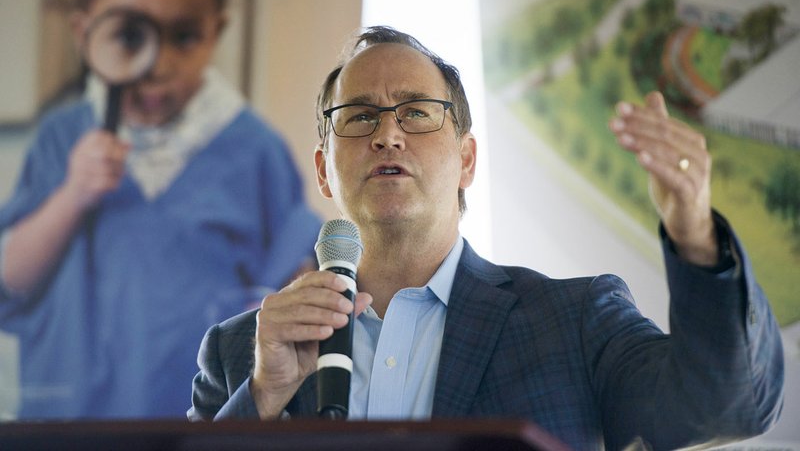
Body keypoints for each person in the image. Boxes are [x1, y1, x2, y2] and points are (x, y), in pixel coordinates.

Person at [188, 26, 784, 449]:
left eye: (417, 112)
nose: (388, 136)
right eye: (359, 117)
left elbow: (727, 406)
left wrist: (697, 239)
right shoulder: (242, 352)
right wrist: (263, 396)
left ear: (466, 159)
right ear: (323, 169)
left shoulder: (576, 322)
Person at [0, 0, 320, 419]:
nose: (158, 63)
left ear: (217, 31)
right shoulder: (62, 138)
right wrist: (71, 195)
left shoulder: (254, 149)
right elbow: (8, 282)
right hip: (68, 427)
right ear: (86, 32)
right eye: (131, 35)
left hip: (205, 425)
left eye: (185, 36)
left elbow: (289, 284)